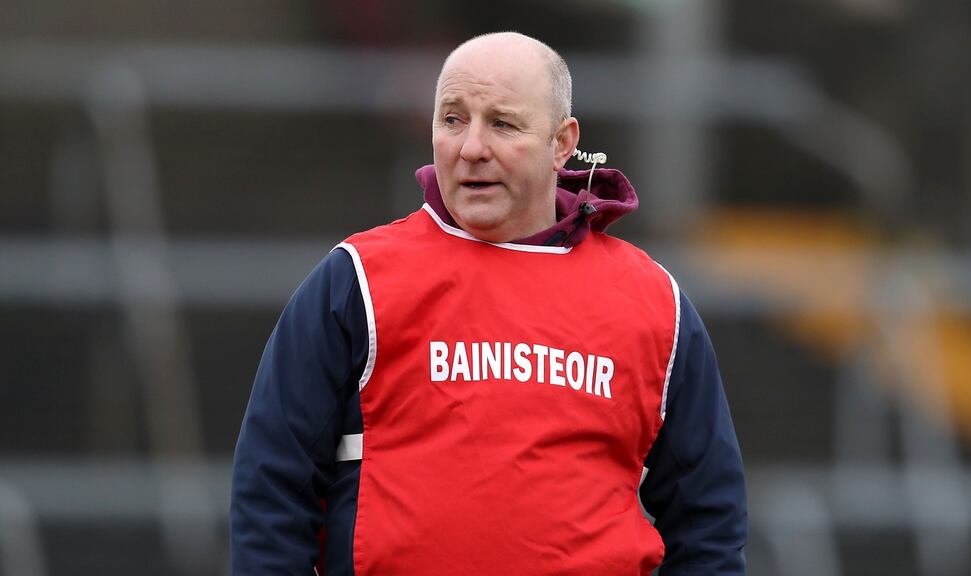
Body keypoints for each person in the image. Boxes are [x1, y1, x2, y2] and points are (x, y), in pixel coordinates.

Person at [230, 32, 747, 575]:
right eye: (452, 119)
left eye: (502, 123)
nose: (471, 147)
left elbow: (708, 522)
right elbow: (270, 490)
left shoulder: (654, 302)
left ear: (562, 142)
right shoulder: (355, 279)